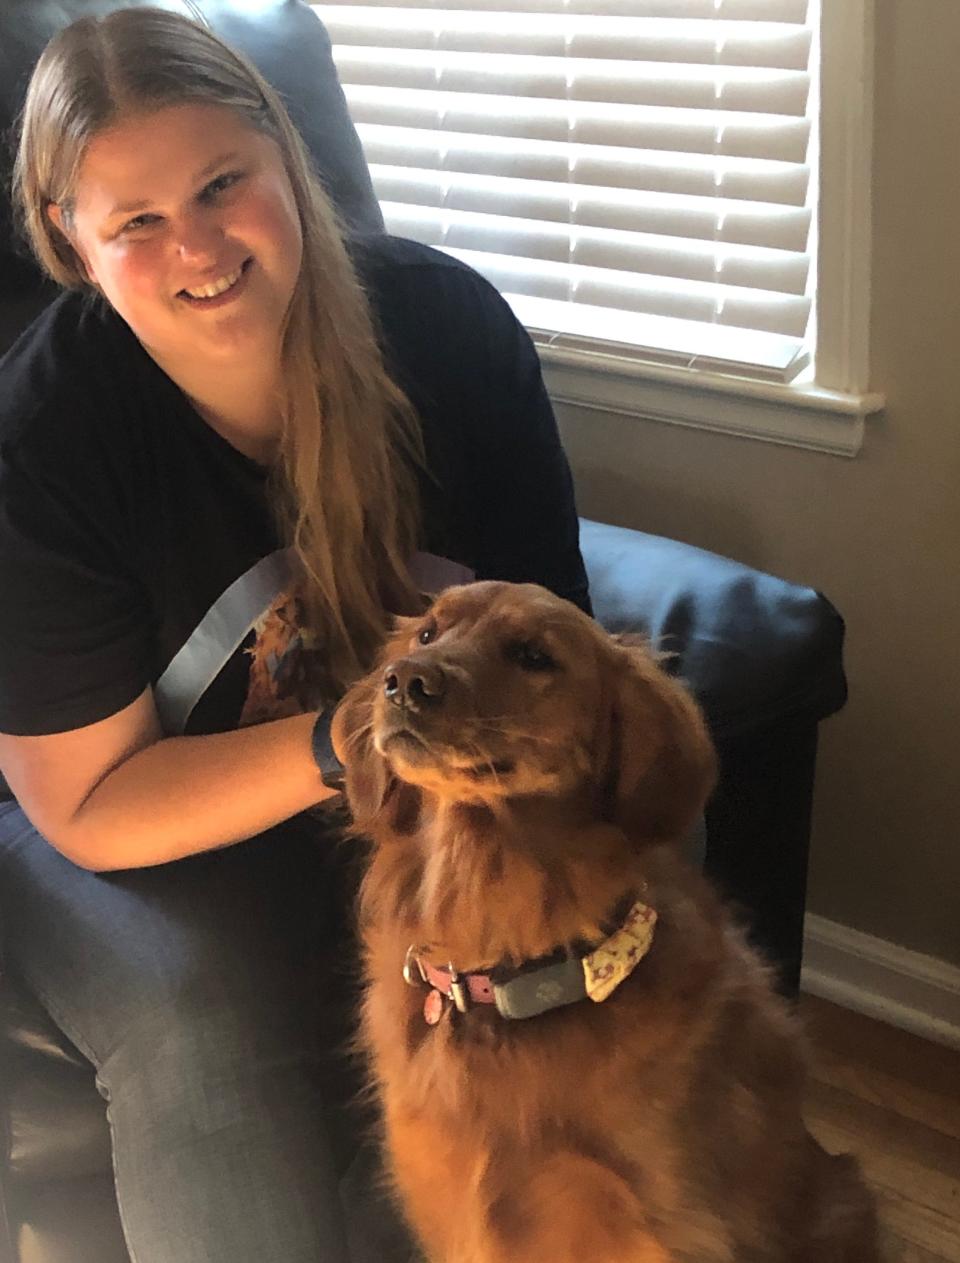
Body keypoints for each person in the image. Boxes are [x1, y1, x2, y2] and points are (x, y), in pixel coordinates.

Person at [0, 7, 589, 1263]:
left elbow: (560, 665)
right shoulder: (42, 443)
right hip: (122, 808)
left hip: (393, 776)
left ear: (284, 153)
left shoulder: (454, 335)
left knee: (606, 878)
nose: (198, 248)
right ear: (70, 237)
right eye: (136, 222)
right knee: (198, 1012)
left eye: (223, 185)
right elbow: (89, 803)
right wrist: (359, 736)